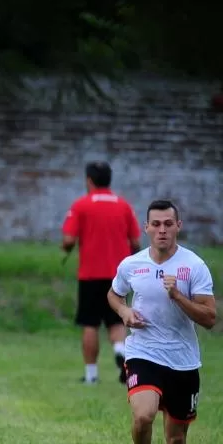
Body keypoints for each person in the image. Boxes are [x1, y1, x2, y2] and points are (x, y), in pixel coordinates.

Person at [107, 199, 216, 444]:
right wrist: (125, 311)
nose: (162, 230)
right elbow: (114, 293)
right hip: (144, 351)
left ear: (178, 226)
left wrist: (178, 296)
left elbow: (210, 318)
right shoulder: (133, 265)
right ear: (146, 227)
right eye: (156, 224)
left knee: (177, 437)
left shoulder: (193, 266)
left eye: (168, 224)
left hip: (183, 361)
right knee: (143, 416)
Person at [61, 161, 141, 384]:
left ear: (89, 180)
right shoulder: (124, 206)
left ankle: (91, 375)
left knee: (90, 323)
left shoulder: (81, 205)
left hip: (90, 274)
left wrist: (67, 248)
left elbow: (68, 239)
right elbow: (135, 241)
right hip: (119, 274)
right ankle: (120, 349)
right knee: (116, 320)